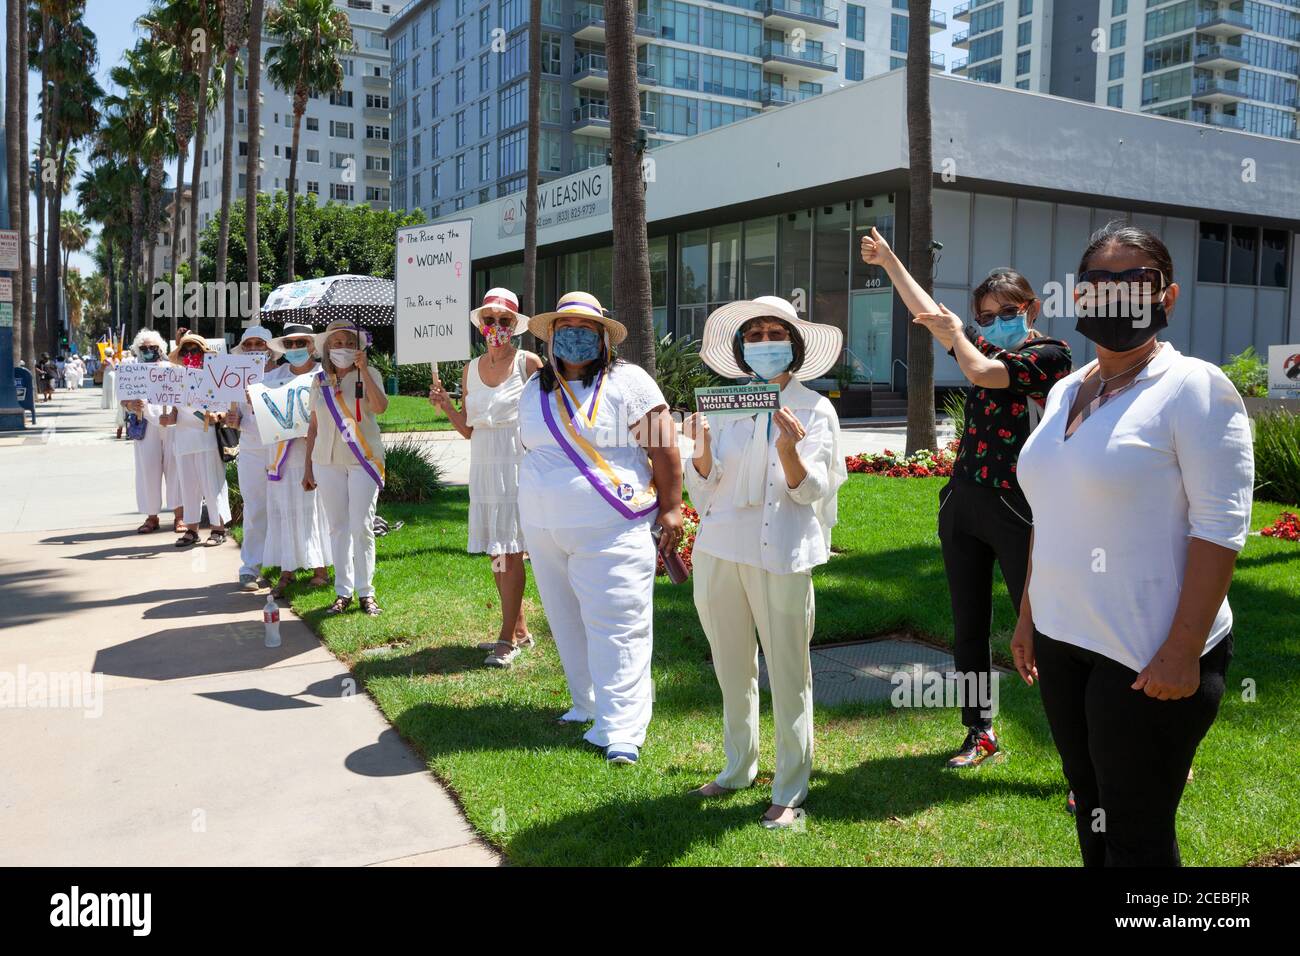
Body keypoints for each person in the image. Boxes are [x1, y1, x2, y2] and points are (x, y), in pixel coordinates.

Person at [1014, 223, 1253, 866]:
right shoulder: (1067, 388)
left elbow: (1220, 529)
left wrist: (1182, 652)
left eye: (1134, 283)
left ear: (1167, 297)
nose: (1115, 298)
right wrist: (1029, 615)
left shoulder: (1195, 388)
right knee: (1091, 814)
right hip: (1065, 642)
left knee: (1138, 836)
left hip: (1148, 655)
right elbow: (1052, 509)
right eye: (1099, 285)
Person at [861, 227, 1073, 769]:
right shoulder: (979, 343)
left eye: (1008, 311)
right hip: (964, 504)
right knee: (968, 626)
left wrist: (959, 334)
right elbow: (932, 312)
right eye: (986, 316)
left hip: (1017, 509)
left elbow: (980, 372)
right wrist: (889, 262)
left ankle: (1081, 759)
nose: (997, 322)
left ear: (1031, 307)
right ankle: (979, 731)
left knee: (1047, 629)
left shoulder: (1050, 355)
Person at [682, 295, 846, 829]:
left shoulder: (815, 409)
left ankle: (790, 786)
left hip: (781, 554)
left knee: (789, 670)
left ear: (794, 345)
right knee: (731, 664)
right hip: (718, 548)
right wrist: (701, 453)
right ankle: (737, 768)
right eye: (754, 335)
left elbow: (809, 493)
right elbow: (704, 490)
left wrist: (790, 451)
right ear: (741, 348)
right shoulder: (722, 406)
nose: (764, 343)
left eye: (775, 333)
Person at [517, 292, 683, 765]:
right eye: (565, 327)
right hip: (545, 527)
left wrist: (672, 506)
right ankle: (587, 703)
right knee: (567, 620)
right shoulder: (536, 387)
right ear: (550, 338)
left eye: (585, 329)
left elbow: (664, 446)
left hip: (613, 526)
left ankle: (623, 729)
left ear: (603, 337)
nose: (574, 336)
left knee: (618, 624)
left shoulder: (630, 382)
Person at [429, 288, 543, 667]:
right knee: (497, 551)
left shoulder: (529, 364)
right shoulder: (470, 369)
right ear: (481, 326)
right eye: (490, 320)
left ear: (515, 326)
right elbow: (470, 430)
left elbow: (548, 418)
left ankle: (506, 637)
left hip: (517, 465)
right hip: (484, 467)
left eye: (504, 320)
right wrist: (447, 406)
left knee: (511, 552)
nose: (496, 326)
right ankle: (520, 627)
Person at [303, 319, 388, 616]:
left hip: (363, 459)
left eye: (349, 343)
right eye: (336, 343)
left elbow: (380, 408)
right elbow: (312, 427)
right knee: (338, 527)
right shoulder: (319, 380)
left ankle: (367, 592)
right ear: (327, 347)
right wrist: (308, 468)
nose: (342, 348)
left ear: (358, 347)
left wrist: (363, 370)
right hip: (326, 461)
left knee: (361, 525)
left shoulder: (370, 373)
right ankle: (343, 592)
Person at [262, 323, 332, 597]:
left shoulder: (324, 374)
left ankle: (321, 568)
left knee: (316, 507)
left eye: (300, 342)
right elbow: (265, 413)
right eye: (289, 344)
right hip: (282, 453)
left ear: (312, 345)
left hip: (314, 449)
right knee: (285, 508)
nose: (295, 348)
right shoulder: (272, 377)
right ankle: (287, 569)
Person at [167, 331, 232, 547]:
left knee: (212, 484)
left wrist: (217, 416)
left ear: (204, 354)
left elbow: (226, 409)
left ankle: (218, 528)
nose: (190, 354)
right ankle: (192, 529)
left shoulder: (216, 377)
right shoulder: (177, 380)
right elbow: (174, 414)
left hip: (207, 440)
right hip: (184, 440)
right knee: (188, 486)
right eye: (186, 350)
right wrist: (165, 418)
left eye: (195, 350)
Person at [225, 326, 276, 590]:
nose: (255, 348)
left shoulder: (283, 375)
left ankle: (284, 562)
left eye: (260, 343)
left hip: (282, 449)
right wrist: (233, 419)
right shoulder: (234, 378)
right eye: (249, 344)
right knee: (255, 506)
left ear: (270, 349)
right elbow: (231, 416)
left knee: (284, 505)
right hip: (251, 449)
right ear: (242, 349)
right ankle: (250, 566)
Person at [121, 331, 184, 534]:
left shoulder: (173, 368)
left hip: (172, 423)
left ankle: (180, 516)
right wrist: (132, 404)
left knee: (175, 469)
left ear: (161, 348)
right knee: (148, 470)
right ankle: (151, 516)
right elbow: (124, 399)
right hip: (145, 425)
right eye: (144, 348)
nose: (148, 351)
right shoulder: (132, 370)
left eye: (152, 347)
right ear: (137, 350)